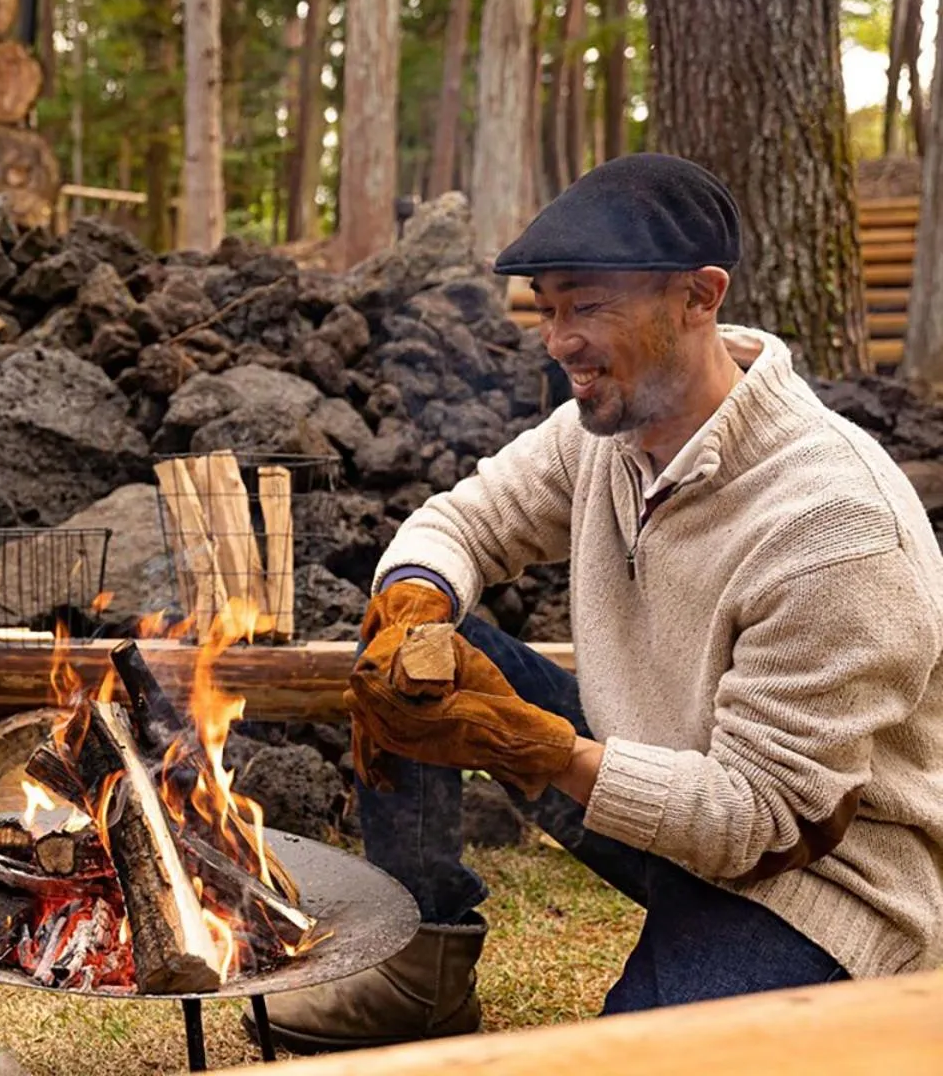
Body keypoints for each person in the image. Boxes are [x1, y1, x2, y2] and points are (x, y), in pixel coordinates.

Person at [249, 153, 943, 1054]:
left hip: (819, 884)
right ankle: (423, 973)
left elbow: (765, 825)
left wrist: (538, 746)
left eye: (588, 306)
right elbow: (463, 521)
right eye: (548, 308)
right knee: (410, 665)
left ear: (699, 297)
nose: (558, 339)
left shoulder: (832, 525)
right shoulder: (615, 429)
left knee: (624, 1058)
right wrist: (412, 605)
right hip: (663, 798)